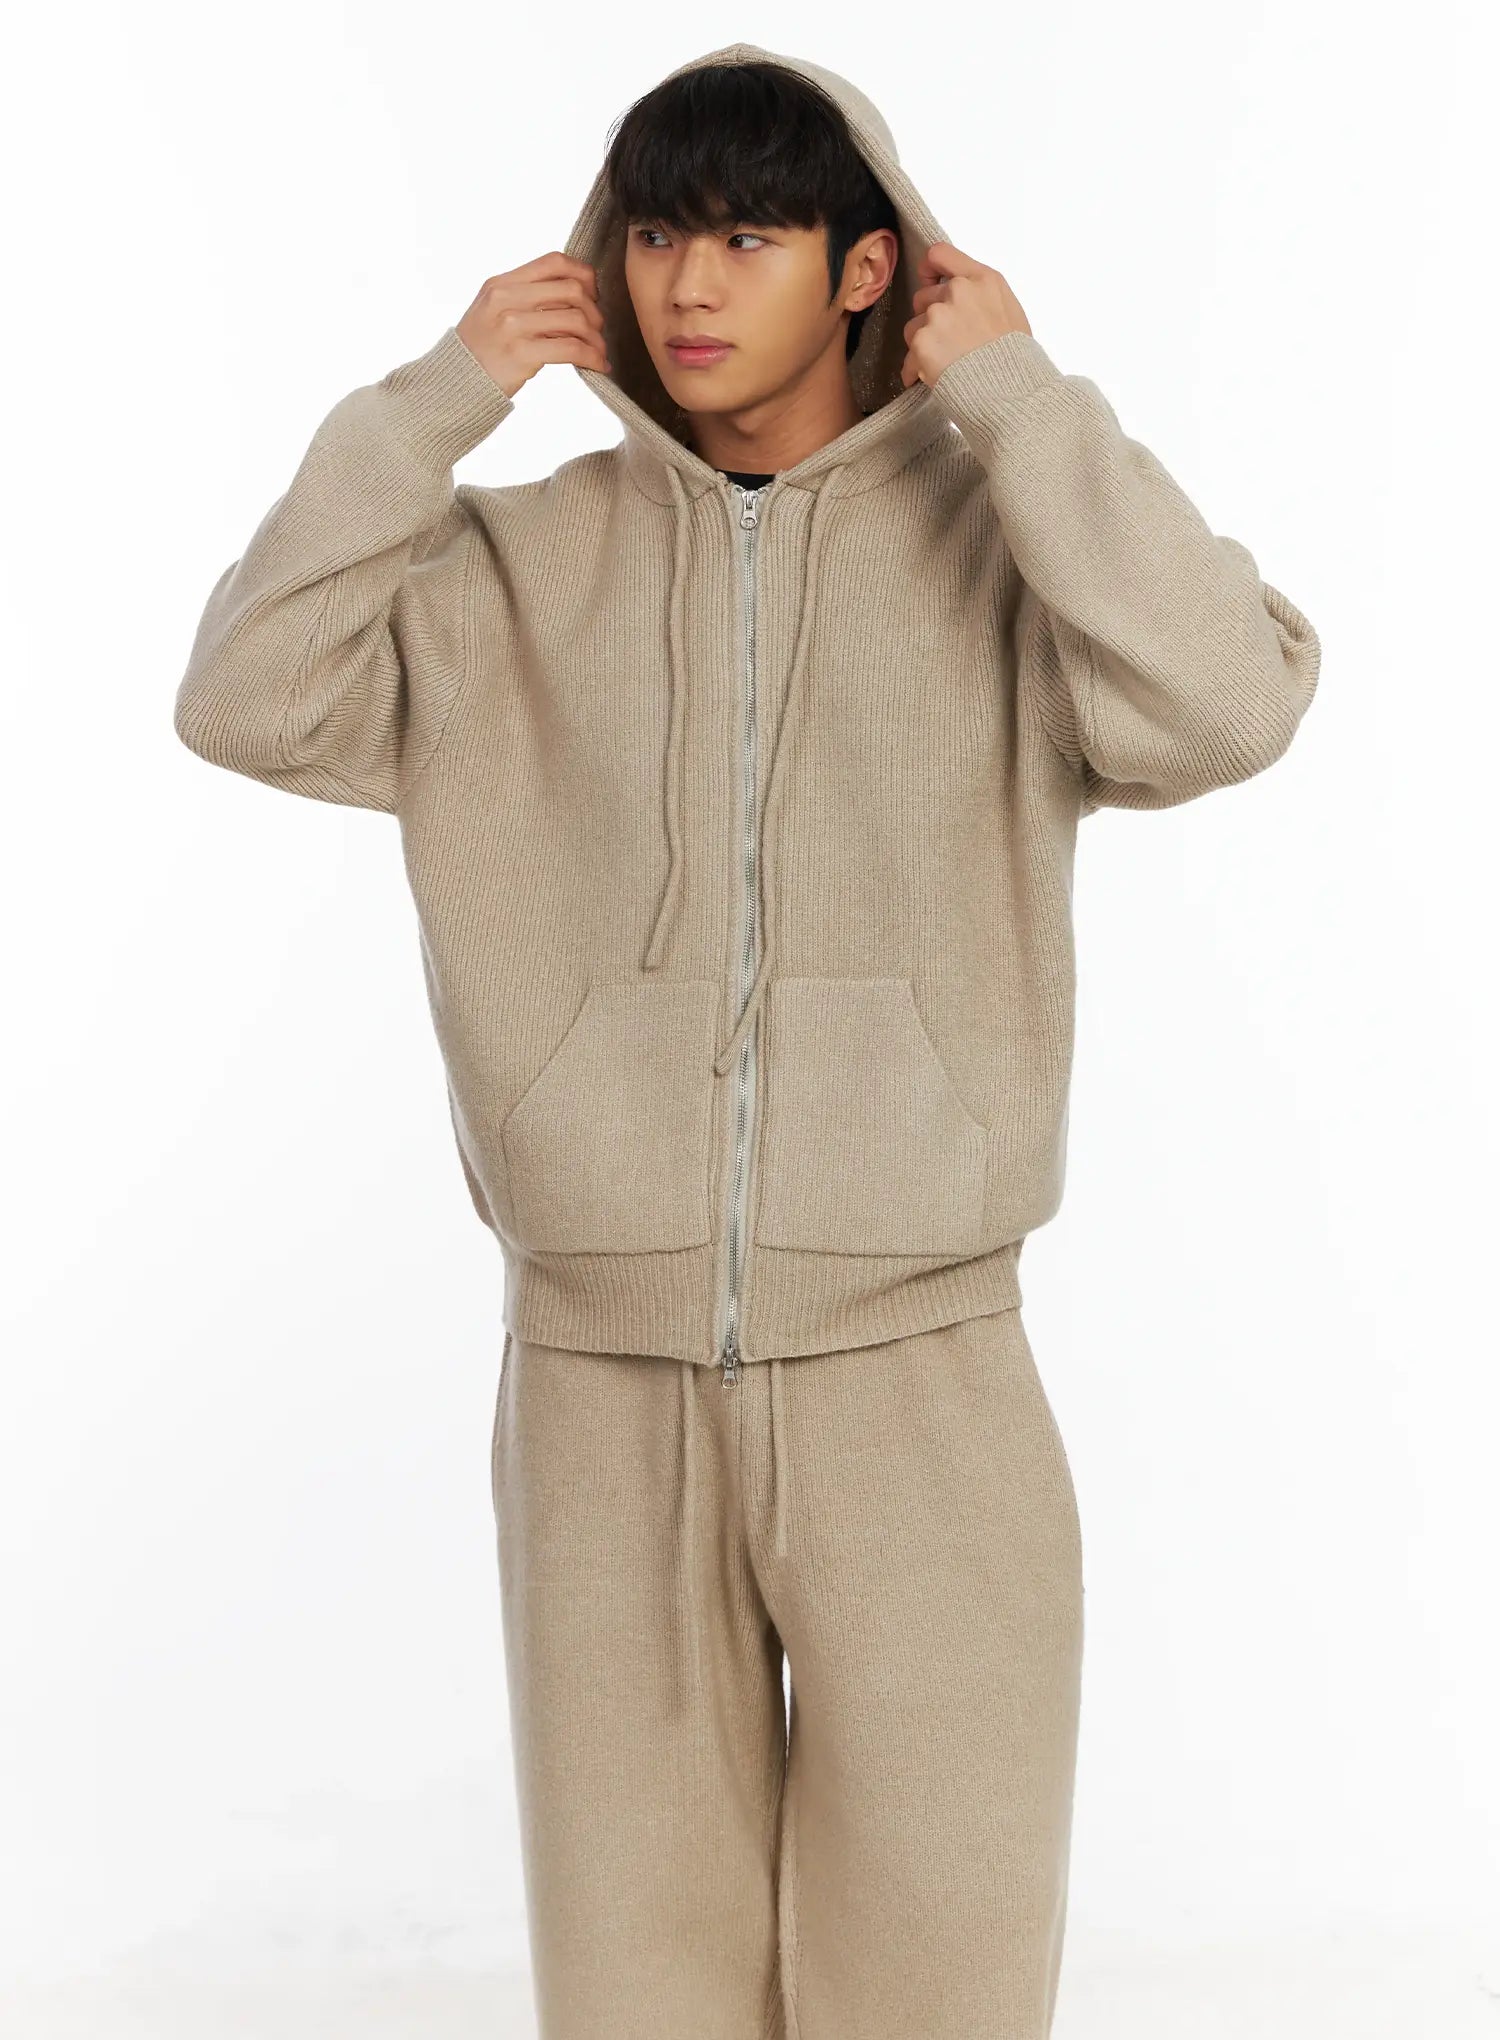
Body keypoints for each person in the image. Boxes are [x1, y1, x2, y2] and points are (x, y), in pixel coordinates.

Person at [173, 39, 1320, 2040]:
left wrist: (1022, 403)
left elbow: (1228, 702)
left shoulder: (1006, 549)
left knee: (941, 1970)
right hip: (596, 1376)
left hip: (921, 1367)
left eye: (746, 239)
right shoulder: (514, 567)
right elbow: (245, 695)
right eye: (653, 238)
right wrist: (438, 402)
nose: (685, 286)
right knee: (639, 1984)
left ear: (867, 270)